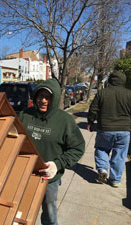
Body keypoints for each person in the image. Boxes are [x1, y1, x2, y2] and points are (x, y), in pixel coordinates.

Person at [19, 79, 85, 225]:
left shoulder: (65, 121)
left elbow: (78, 147)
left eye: (47, 97)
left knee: (49, 211)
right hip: (24, 173)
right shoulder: (25, 115)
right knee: (20, 211)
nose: (43, 100)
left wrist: (58, 164)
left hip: (49, 178)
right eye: (39, 96)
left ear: (54, 99)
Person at [87, 70, 131, 187]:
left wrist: (90, 122)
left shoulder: (102, 93)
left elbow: (93, 109)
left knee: (101, 149)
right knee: (120, 154)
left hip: (105, 128)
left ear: (110, 81)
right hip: (124, 130)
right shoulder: (129, 94)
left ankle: (103, 169)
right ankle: (115, 180)